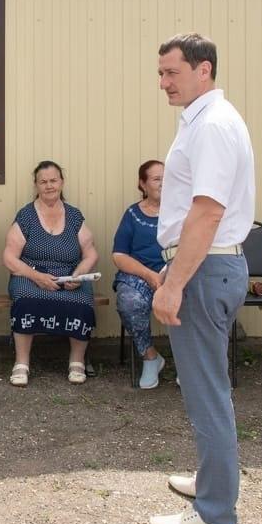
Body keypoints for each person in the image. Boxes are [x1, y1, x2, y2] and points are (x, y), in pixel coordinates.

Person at [149, 33, 254, 524]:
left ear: (203, 69)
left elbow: (208, 211)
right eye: (161, 73)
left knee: (206, 390)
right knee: (209, 385)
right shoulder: (205, 120)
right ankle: (213, 483)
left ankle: (216, 515)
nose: (164, 82)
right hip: (207, 267)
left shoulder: (211, 125)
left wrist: (174, 283)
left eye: (172, 72)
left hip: (204, 269)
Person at [2, 160, 98, 386]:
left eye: (53, 180)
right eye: (43, 182)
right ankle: (22, 363)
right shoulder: (26, 216)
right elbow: (9, 257)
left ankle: (77, 361)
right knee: (25, 300)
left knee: (83, 299)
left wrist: (78, 274)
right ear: (36, 185)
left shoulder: (74, 215)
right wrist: (37, 277)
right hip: (30, 274)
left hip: (69, 275)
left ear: (62, 182)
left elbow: (91, 254)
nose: (49, 186)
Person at [113, 160, 169, 389]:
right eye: (157, 179)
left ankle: (189, 367)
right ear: (143, 184)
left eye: (167, 178)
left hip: (175, 273)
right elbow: (119, 255)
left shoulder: (184, 212)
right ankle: (150, 357)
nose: (164, 183)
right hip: (139, 276)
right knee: (129, 300)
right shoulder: (133, 214)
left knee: (193, 300)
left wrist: (167, 274)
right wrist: (150, 276)